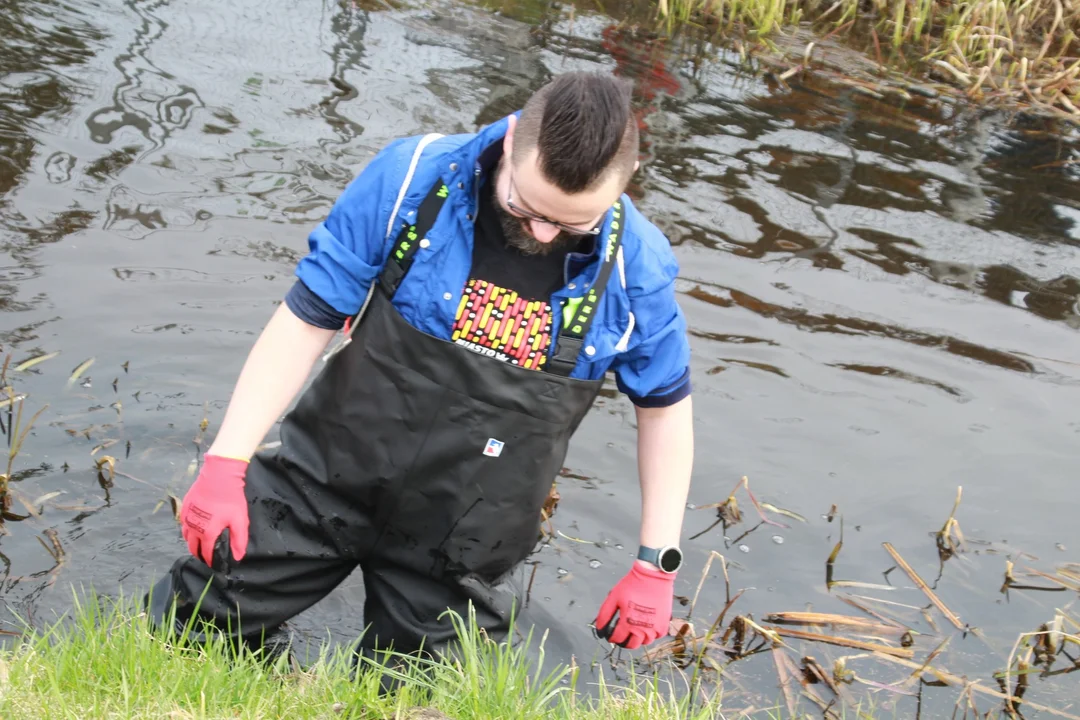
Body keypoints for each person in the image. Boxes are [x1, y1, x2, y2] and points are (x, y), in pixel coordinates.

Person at [146, 71, 696, 668]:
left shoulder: (636, 271)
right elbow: (308, 319)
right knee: (189, 633)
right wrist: (228, 460)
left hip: (463, 537)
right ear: (509, 141)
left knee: (409, 696)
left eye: (572, 224)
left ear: (626, 184)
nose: (541, 233)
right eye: (525, 204)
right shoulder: (412, 177)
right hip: (321, 483)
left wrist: (655, 562)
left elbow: (664, 411)